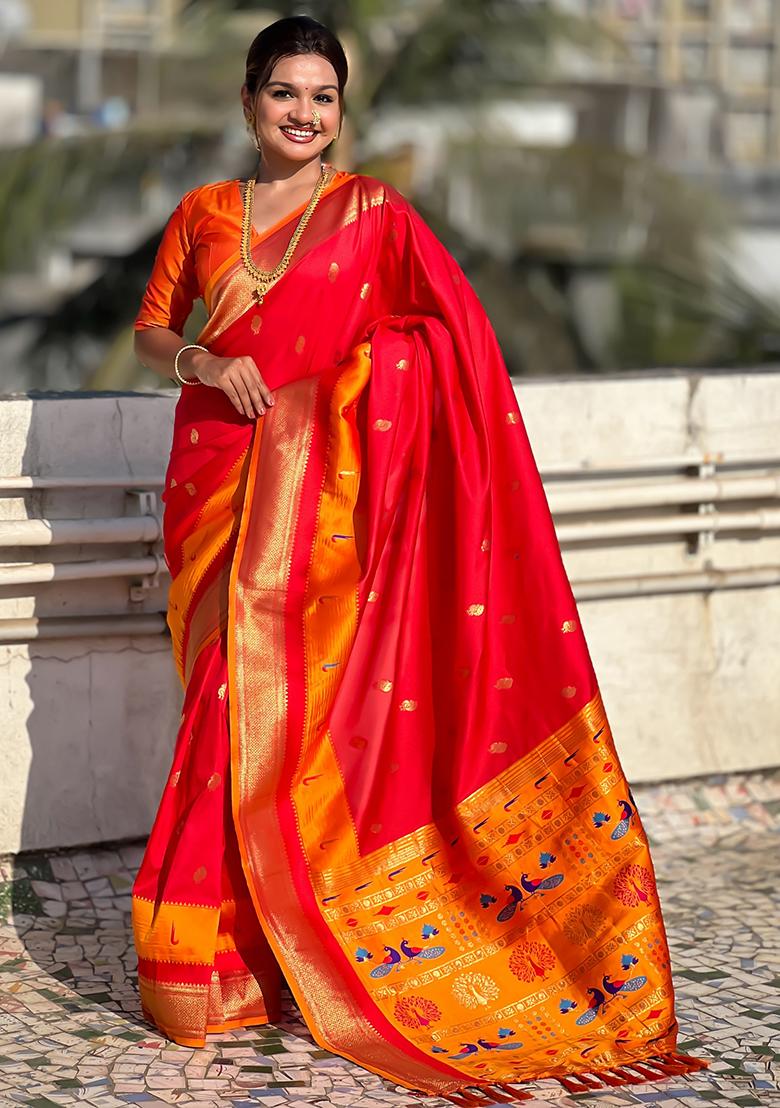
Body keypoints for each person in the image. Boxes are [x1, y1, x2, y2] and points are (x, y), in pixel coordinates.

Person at [130, 15, 709, 1104]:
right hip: (216, 483)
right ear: (249, 99)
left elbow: (453, 335)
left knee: (304, 719)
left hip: (334, 507)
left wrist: (337, 398)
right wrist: (203, 359)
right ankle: (222, 960)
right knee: (222, 703)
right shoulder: (203, 216)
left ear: (340, 112)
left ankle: (291, 945)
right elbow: (154, 330)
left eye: (323, 98)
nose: (303, 114)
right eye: (284, 93)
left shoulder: (374, 217)